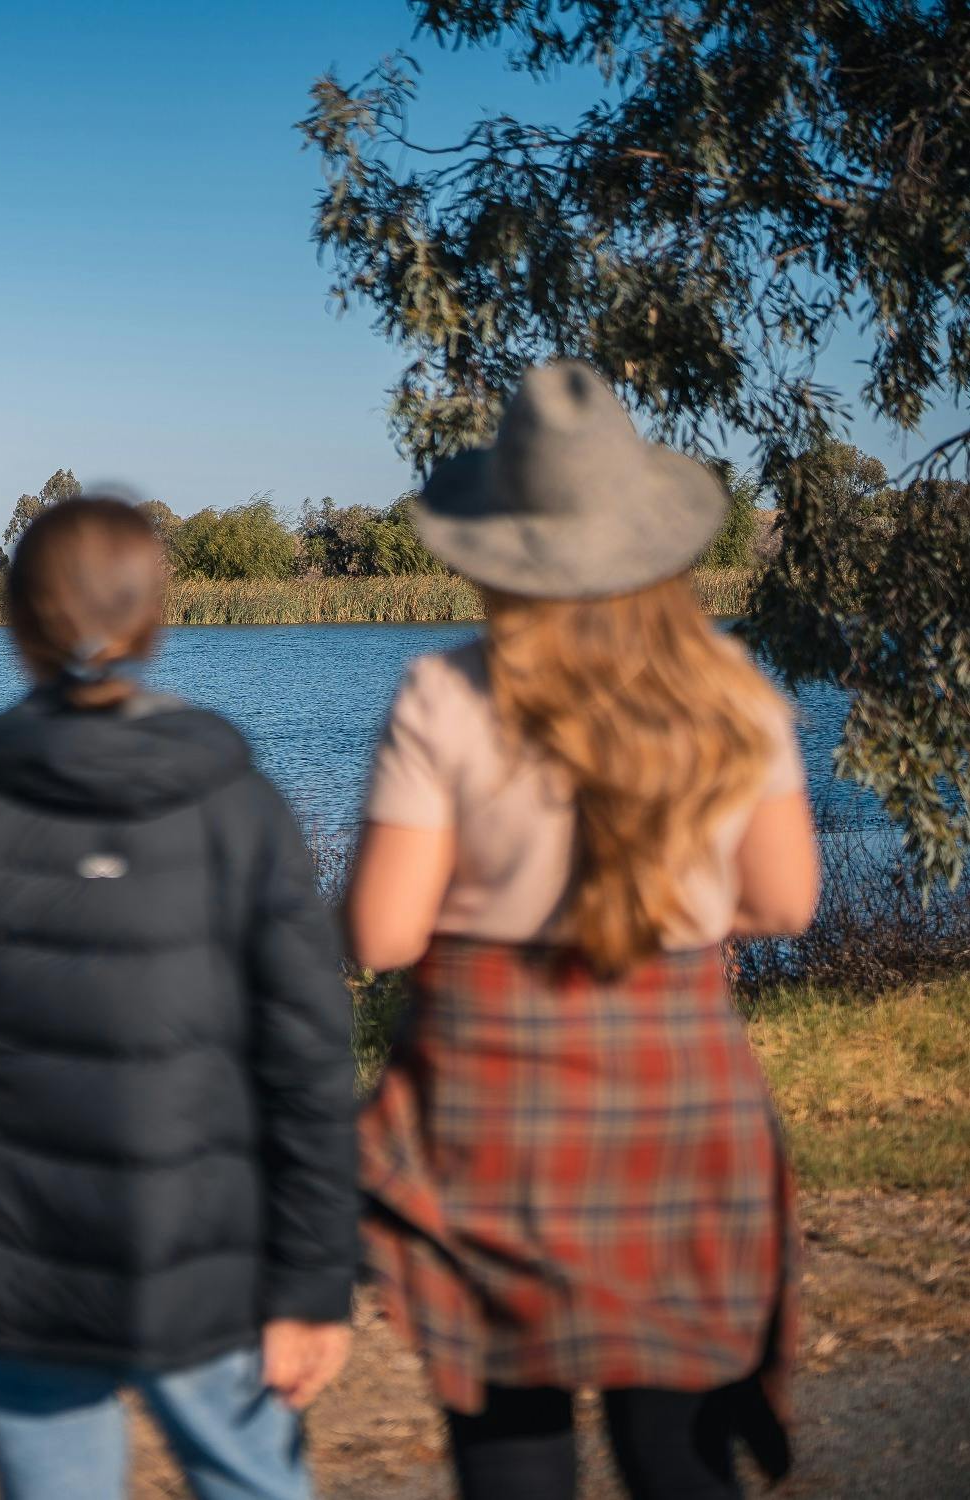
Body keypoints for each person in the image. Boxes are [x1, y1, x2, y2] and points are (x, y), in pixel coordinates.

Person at [347, 361, 821, 1500]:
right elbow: (783, 903)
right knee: (675, 1447)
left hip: (490, 1113)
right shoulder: (733, 692)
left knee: (511, 1441)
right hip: (675, 1093)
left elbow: (382, 931)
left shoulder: (441, 695)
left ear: (499, 544)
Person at [0, 497, 359, 1500]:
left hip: (7, 1259)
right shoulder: (237, 805)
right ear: (154, 614)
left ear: (14, 618)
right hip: (211, 1256)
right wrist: (310, 1284)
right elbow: (307, 1057)